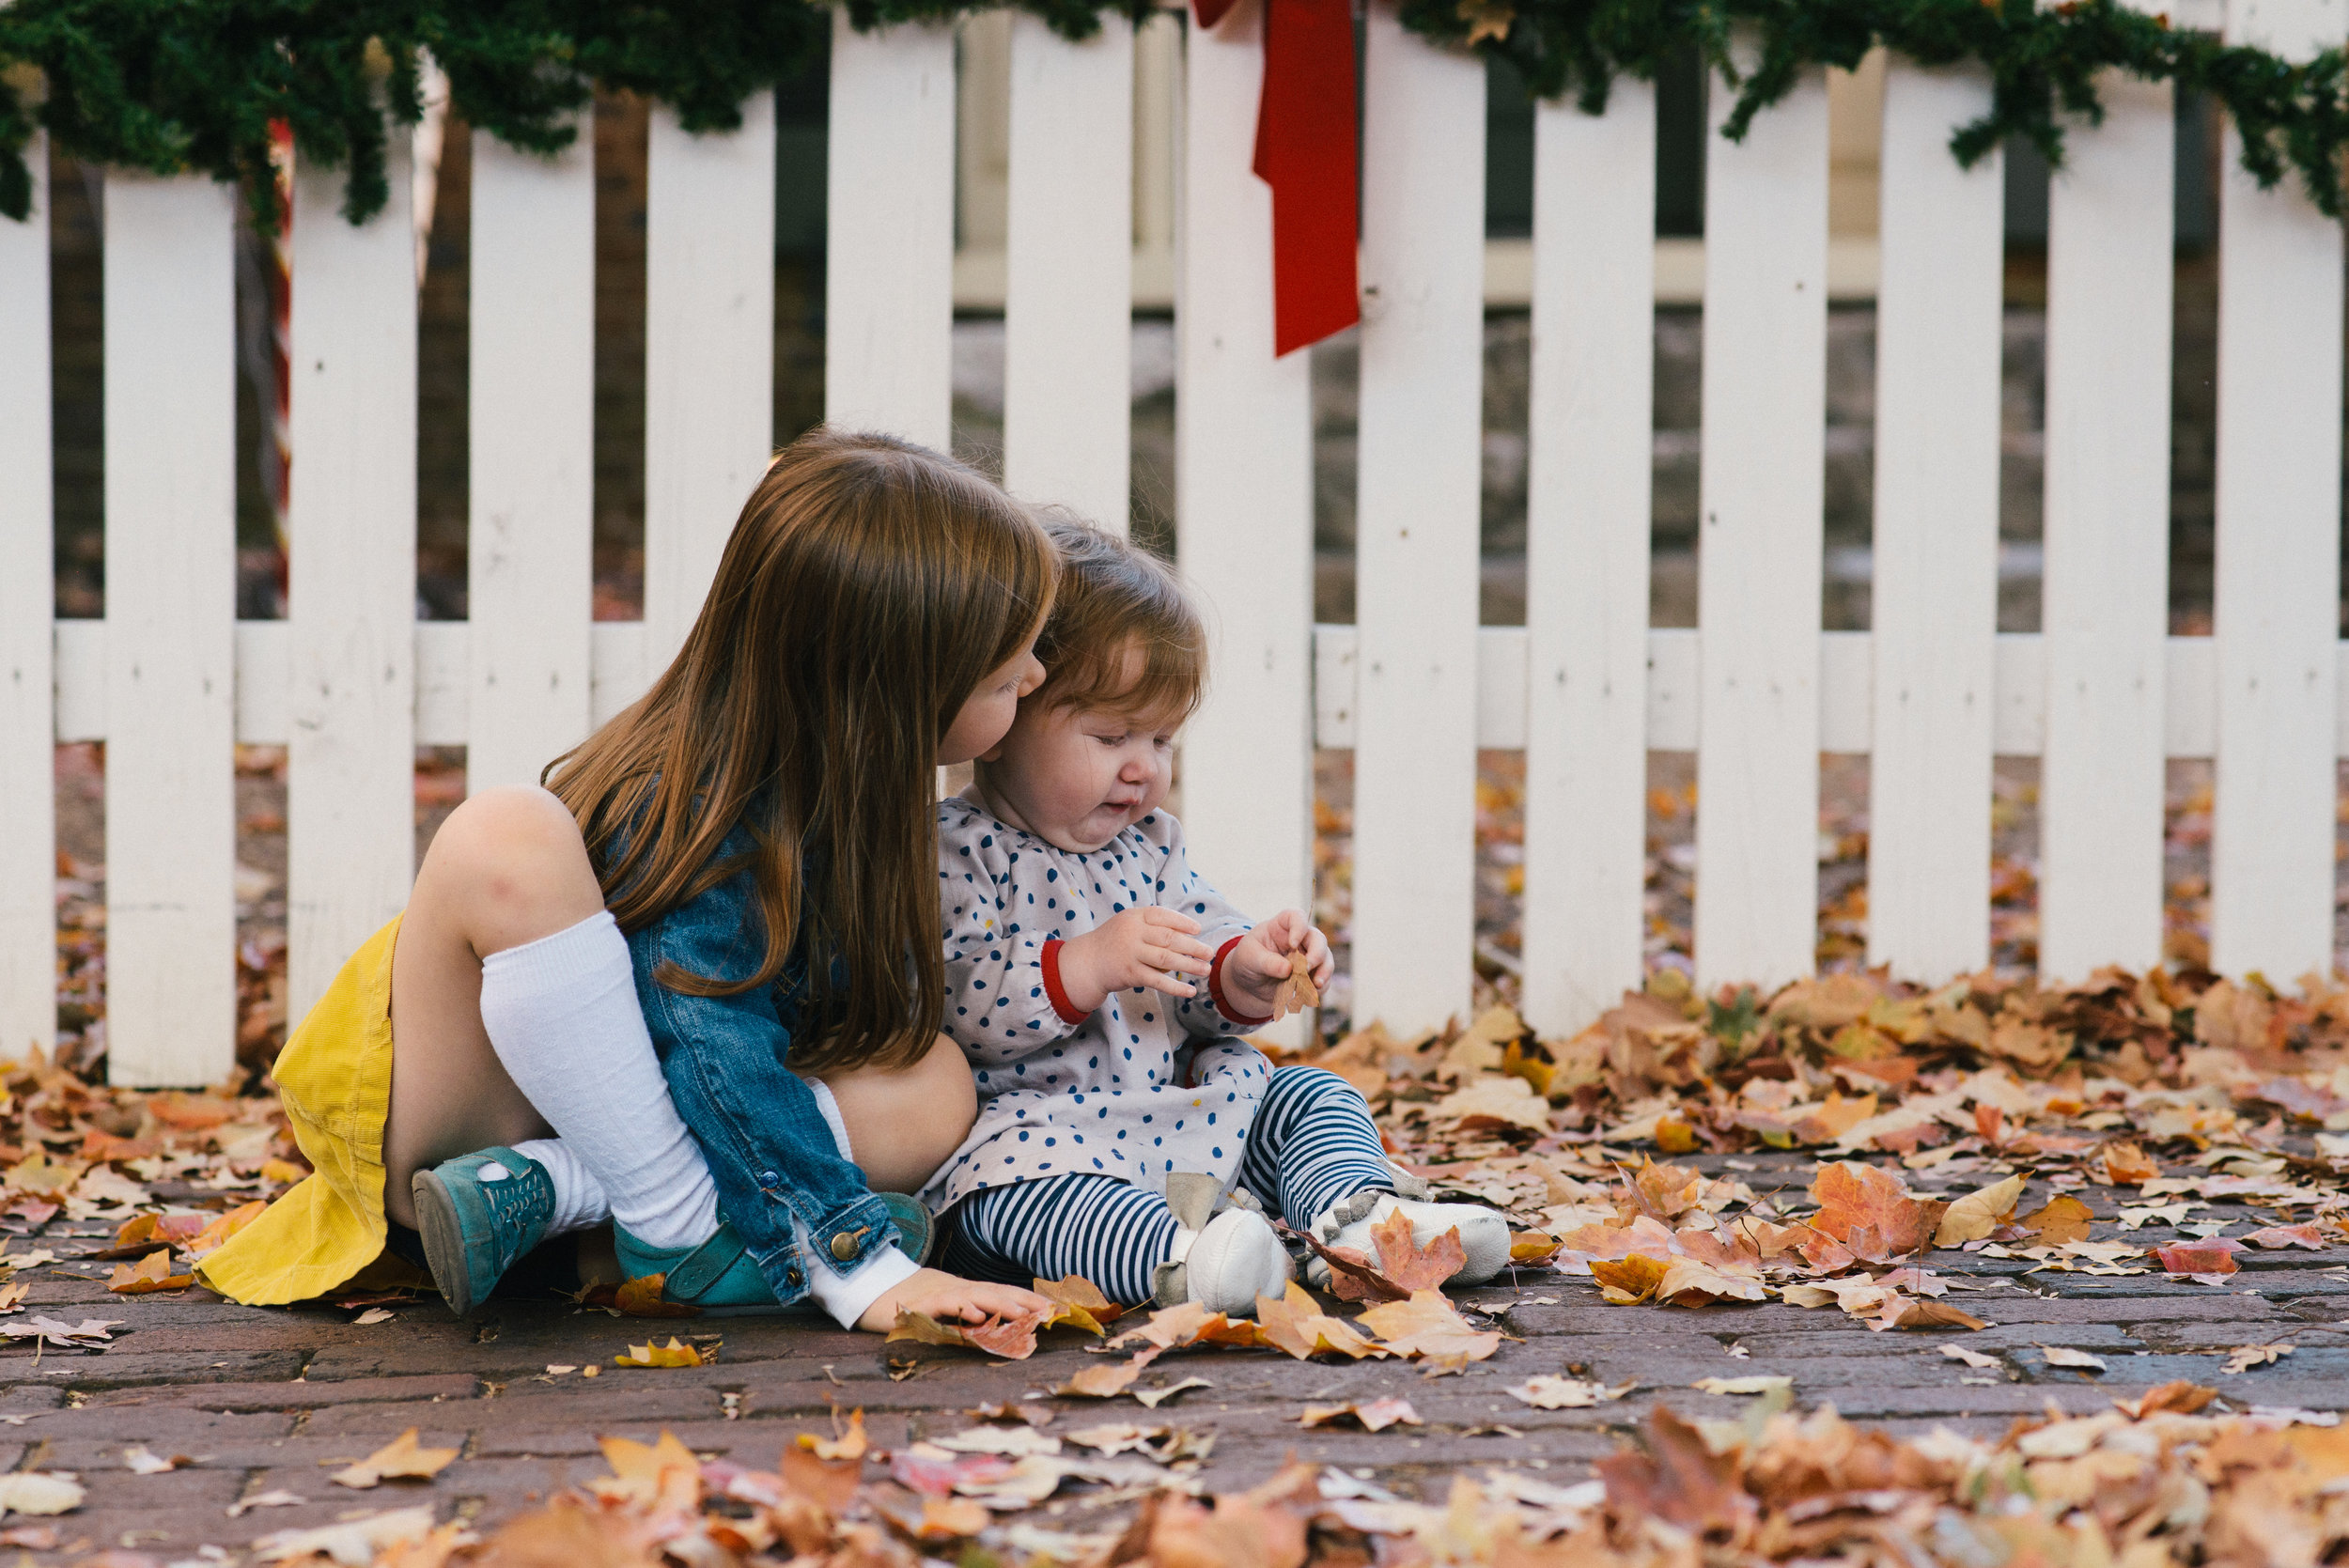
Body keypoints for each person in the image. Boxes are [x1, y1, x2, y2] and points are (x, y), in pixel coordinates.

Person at [199, 430, 1057, 1334]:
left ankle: (563, 1209)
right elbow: (707, 1035)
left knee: (932, 1083)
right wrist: (853, 1258)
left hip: (529, 1170)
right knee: (506, 832)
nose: (1038, 679)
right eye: (1008, 674)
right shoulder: (696, 802)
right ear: (890, 687)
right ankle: (687, 1233)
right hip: (464, 1114)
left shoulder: (848, 798)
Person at [924, 518, 1512, 1312]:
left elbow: (1203, 963)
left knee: (1308, 1095)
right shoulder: (959, 850)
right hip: (1044, 1134)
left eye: (1162, 739)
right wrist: (1085, 964)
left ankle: (1362, 1221)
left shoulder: (1152, 845)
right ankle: (1185, 1258)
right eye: (1109, 734)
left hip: (1185, 1114)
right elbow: (958, 1007)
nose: (1143, 767)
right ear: (1002, 721)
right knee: (1012, 1205)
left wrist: (1247, 966)